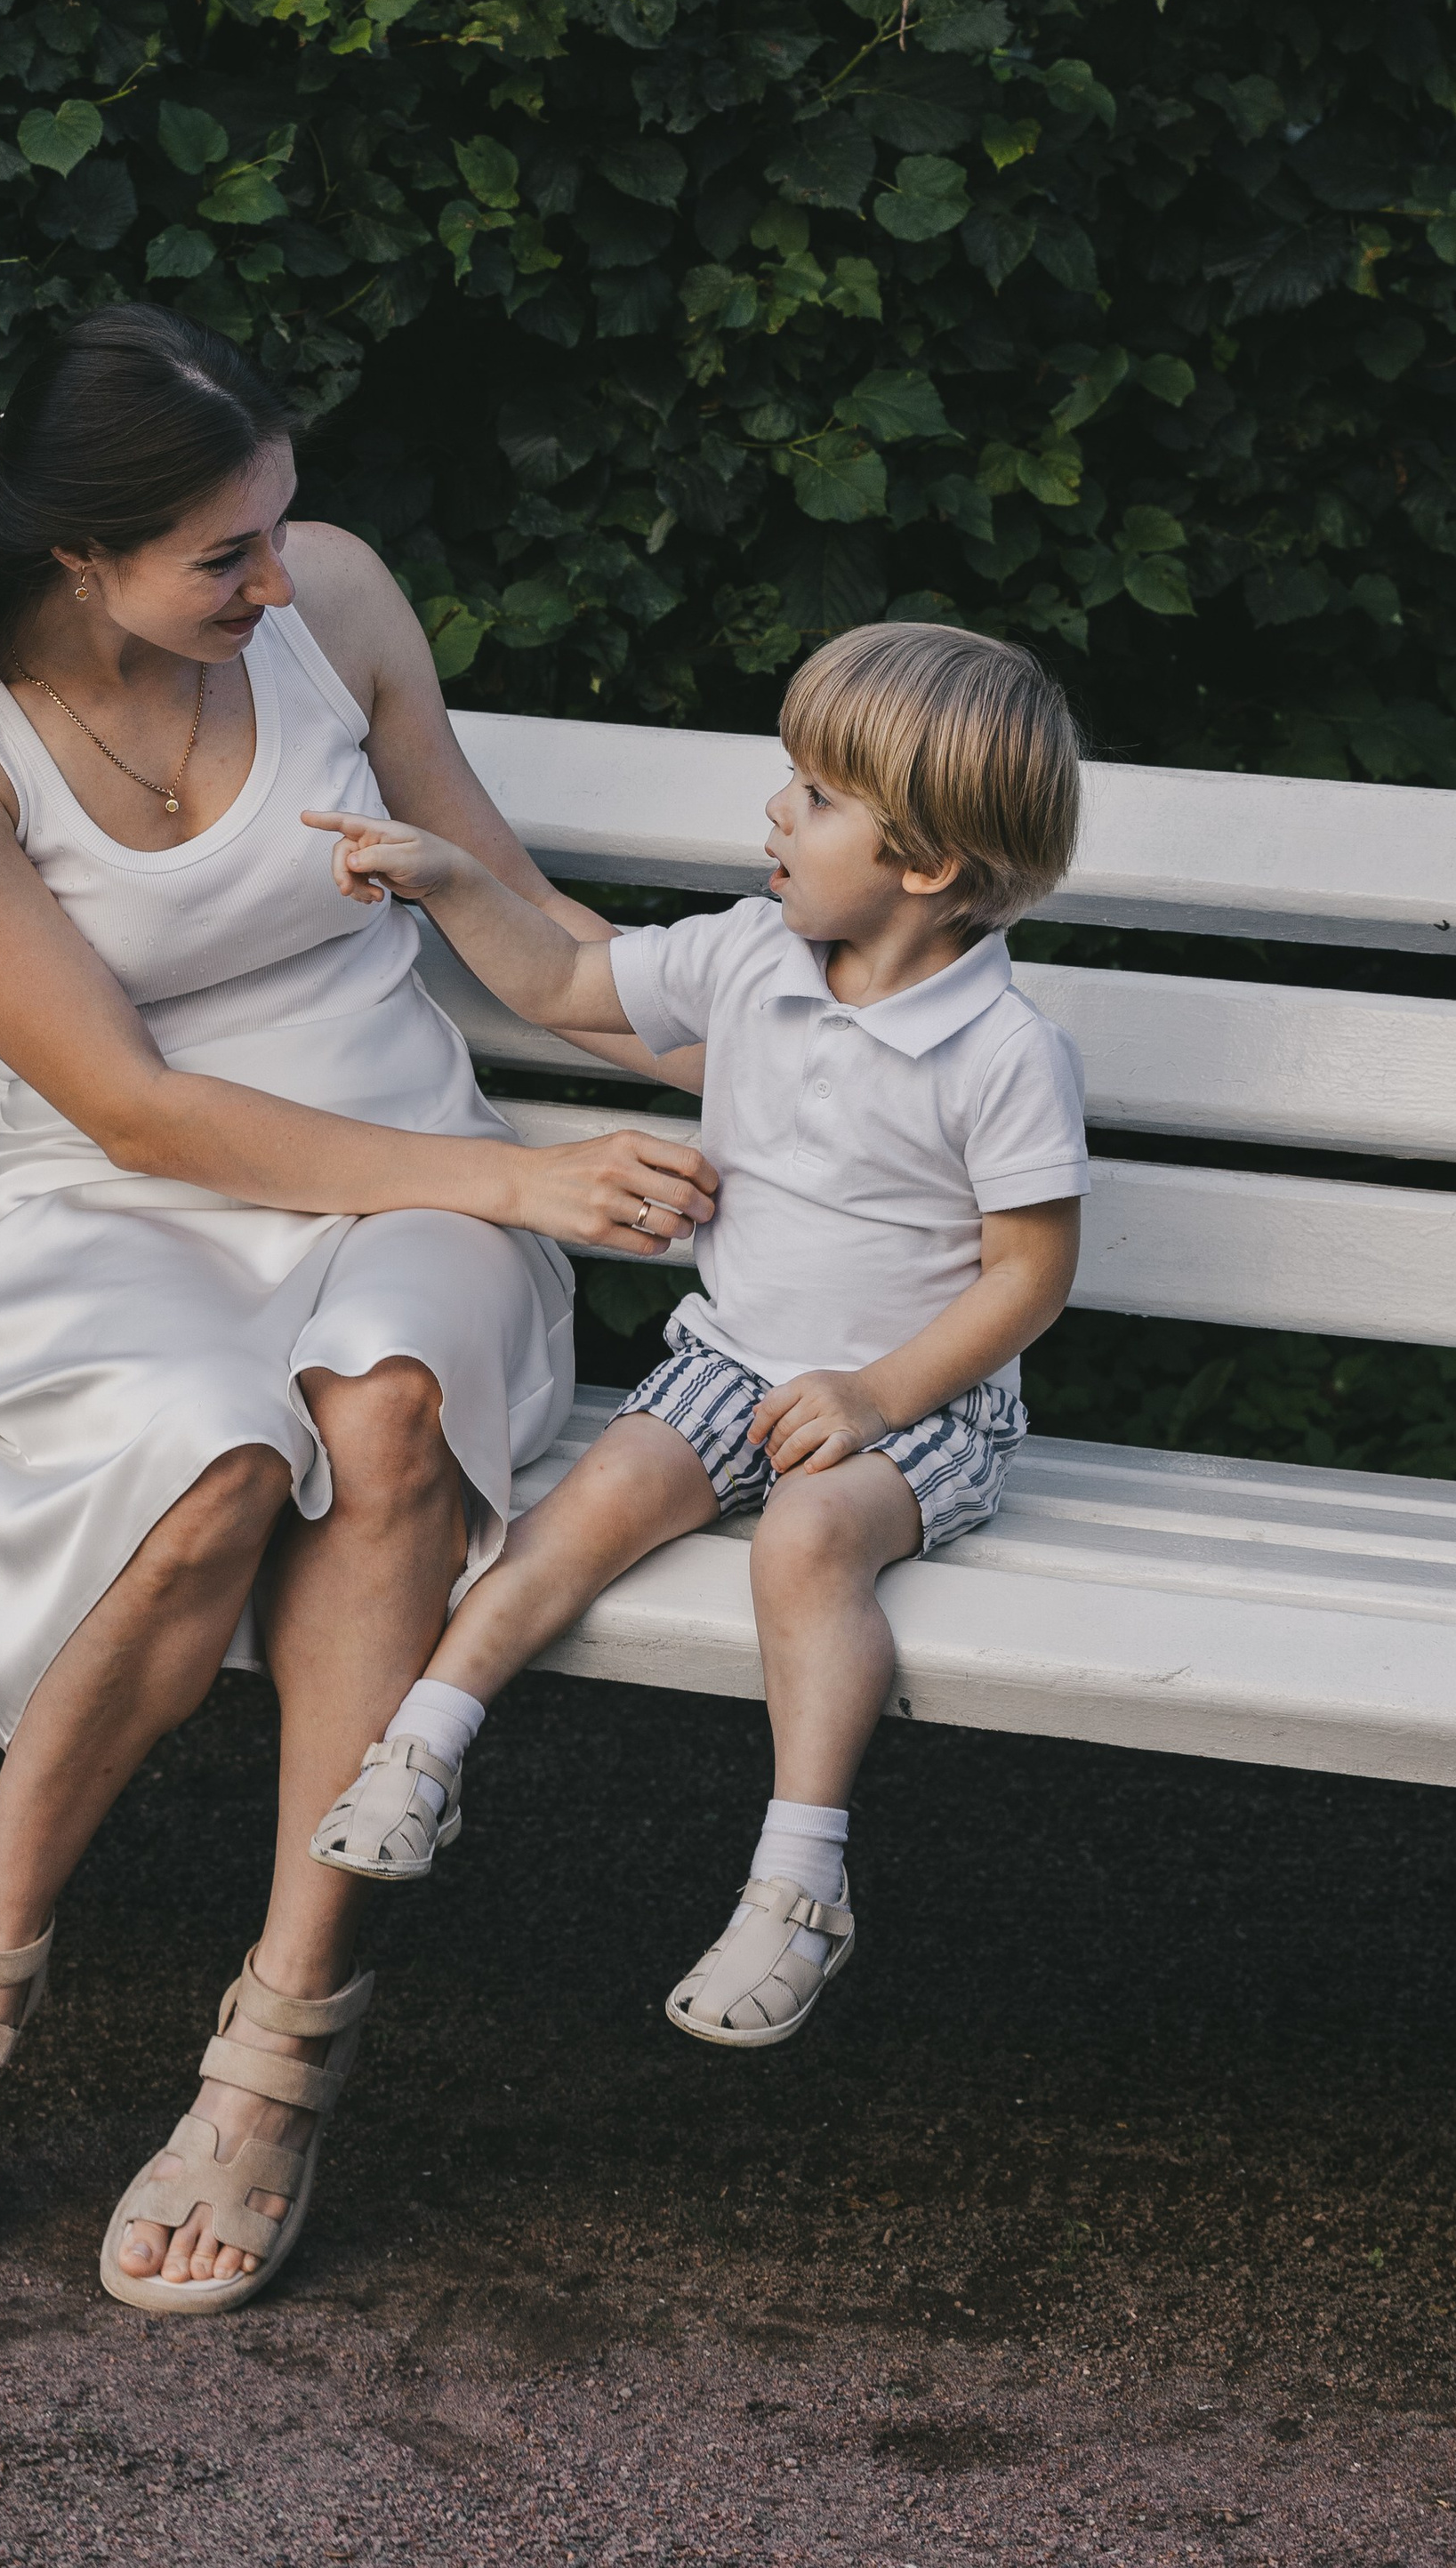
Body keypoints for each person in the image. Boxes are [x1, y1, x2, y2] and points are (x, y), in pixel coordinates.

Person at [0, 304, 716, 2307]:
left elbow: (519, 930)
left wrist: (796, 1057)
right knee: (214, 1460)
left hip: (399, 1161)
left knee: (385, 1406)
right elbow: (129, 1104)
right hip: (127, 1196)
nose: (274, 575)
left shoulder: (331, 606)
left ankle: (280, 2047)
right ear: (75, 555)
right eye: (224, 551)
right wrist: (517, 1179)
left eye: (280, 526)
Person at [302, 619, 1089, 2047]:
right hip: (729, 1364)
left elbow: (1027, 1279)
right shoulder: (750, 956)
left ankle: (798, 1884)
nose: (774, 815)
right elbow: (553, 982)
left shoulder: (1005, 1053)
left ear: (927, 869)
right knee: (590, 1504)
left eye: (818, 797)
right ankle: (423, 1743)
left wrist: (873, 1394)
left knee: (804, 1544)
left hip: (917, 1403)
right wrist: (454, 880)